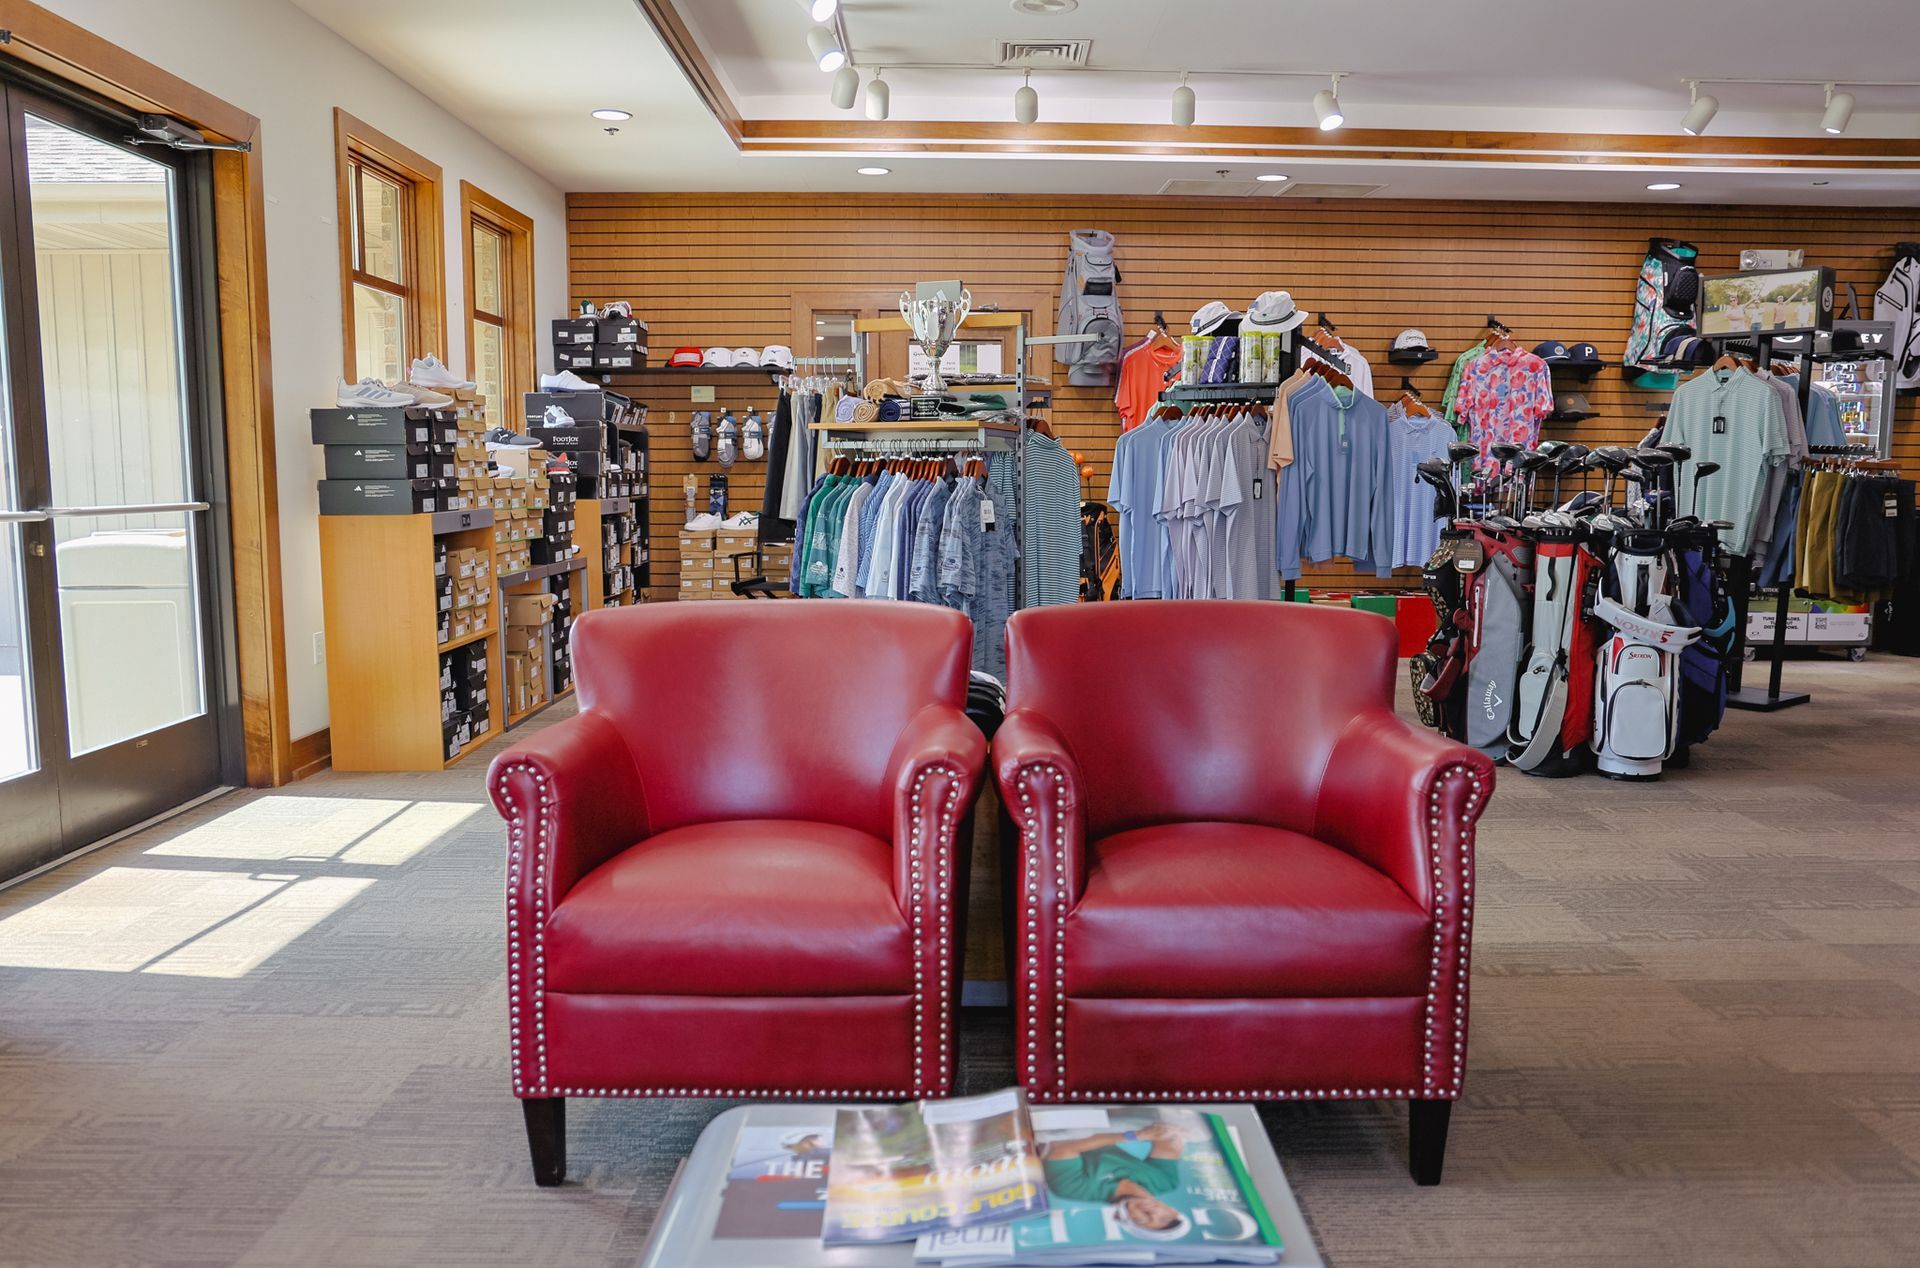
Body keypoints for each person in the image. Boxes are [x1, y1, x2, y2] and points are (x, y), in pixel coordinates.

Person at [1039, 1120, 1191, 1238]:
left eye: (1142, 1220)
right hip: (1104, 1117)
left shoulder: (1075, 1191)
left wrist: (1135, 1136)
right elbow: (1167, 1143)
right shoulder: (1166, 1183)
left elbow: (1061, 1145)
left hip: (1054, 1123)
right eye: (1164, 1218)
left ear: (1123, 1217)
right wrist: (1168, 1134)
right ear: (1172, 1210)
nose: (1152, 1213)